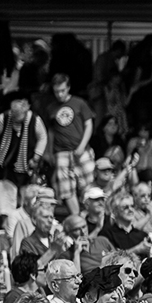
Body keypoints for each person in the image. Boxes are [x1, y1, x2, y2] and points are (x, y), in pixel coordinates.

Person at [46, 74, 96, 217]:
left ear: (68, 88)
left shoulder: (79, 103)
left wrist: (82, 146)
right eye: (56, 91)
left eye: (62, 90)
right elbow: (51, 132)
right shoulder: (51, 108)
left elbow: (89, 125)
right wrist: (49, 152)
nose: (60, 94)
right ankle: (77, 220)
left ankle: (91, 217)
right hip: (61, 152)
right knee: (66, 189)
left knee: (90, 184)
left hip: (81, 149)